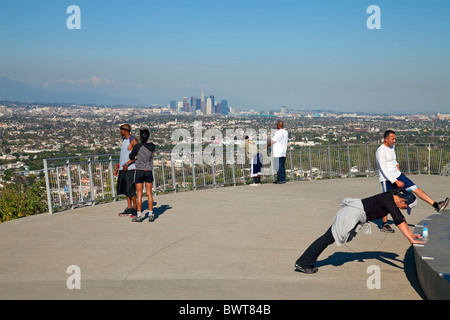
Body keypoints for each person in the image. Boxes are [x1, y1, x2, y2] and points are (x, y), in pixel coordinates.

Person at [294, 189, 424, 274]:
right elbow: (399, 221)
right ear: (402, 200)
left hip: (354, 213)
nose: (403, 208)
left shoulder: (391, 198)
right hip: (351, 214)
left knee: (327, 238)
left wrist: (411, 235)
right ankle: (303, 263)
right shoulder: (389, 200)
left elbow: (401, 219)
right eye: (405, 206)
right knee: (327, 238)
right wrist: (410, 240)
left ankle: (304, 262)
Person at [376, 130, 448, 233]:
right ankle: (384, 224)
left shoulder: (392, 147)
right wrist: (395, 181)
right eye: (393, 139)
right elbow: (383, 168)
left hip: (398, 175)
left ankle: (436, 205)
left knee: (417, 189)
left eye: (395, 138)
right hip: (388, 179)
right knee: (388, 201)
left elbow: (393, 160)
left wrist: (398, 168)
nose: (395, 141)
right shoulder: (380, 151)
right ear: (386, 139)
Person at [125, 128, 156, 223]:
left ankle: (138, 216)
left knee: (139, 194)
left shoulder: (137, 147)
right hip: (148, 170)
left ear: (140, 137)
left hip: (139, 171)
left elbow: (131, 157)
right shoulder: (152, 146)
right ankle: (151, 214)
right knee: (149, 193)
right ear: (148, 137)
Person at [114, 123, 138, 217]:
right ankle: (129, 208)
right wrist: (117, 168)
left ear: (124, 130)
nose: (120, 132)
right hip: (122, 169)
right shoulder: (124, 140)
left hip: (130, 169)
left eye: (121, 130)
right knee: (125, 190)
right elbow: (123, 156)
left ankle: (135, 209)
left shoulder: (133, 140)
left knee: (131, 190)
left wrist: (127, 164)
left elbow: (136, 155)